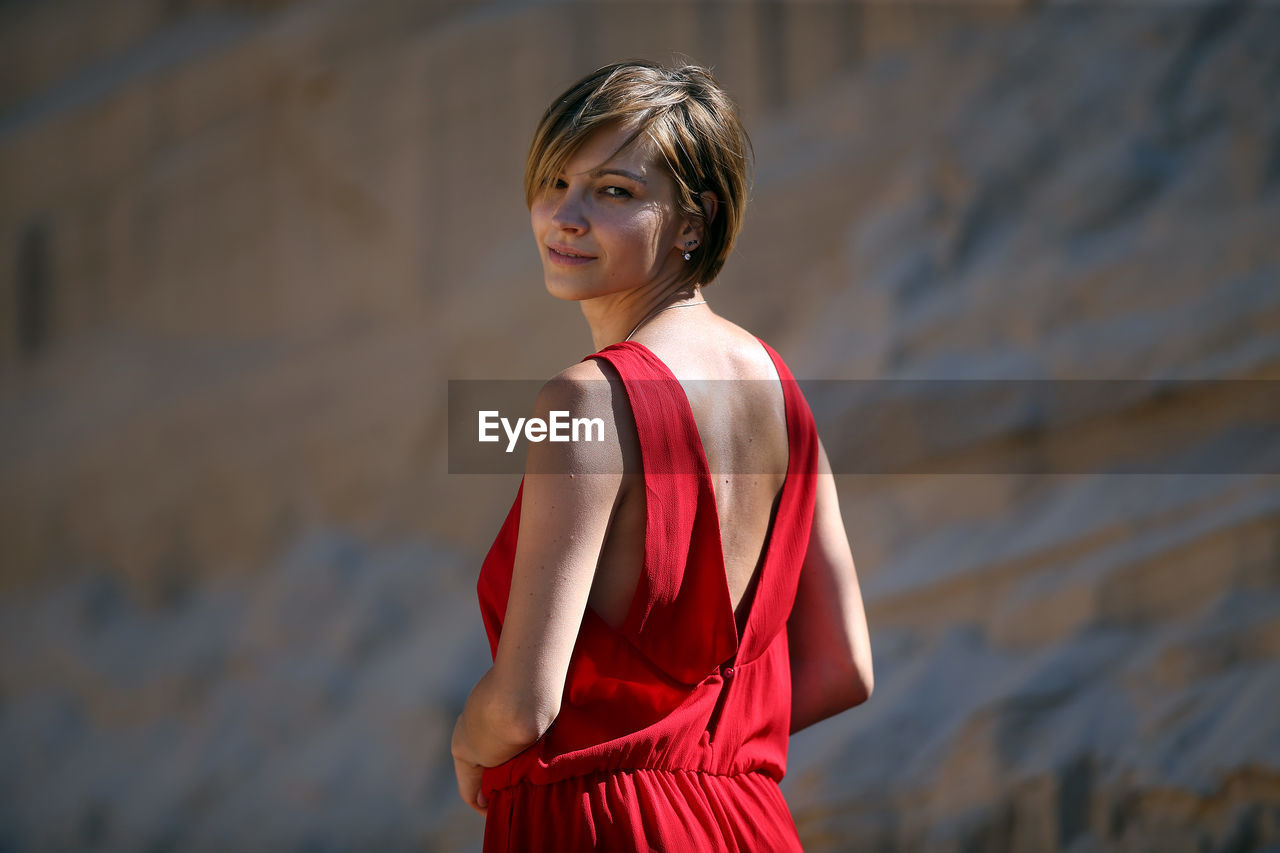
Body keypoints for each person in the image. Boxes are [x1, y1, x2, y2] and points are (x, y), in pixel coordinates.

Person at [451, 60, 873, 851]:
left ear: (694, 220)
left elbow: (522, 706)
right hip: (750, 824)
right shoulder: (783, 395)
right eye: (553, 181)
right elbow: (844, 667)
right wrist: (699, 744)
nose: (564, 215)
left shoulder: (582, 403)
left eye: (613, 191)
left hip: (599, 823)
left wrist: (469, 740)